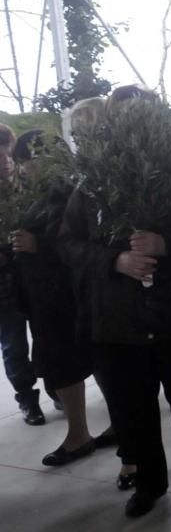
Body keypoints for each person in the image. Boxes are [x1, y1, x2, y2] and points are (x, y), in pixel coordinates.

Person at [59, 86, 171, 518]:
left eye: (143, 116)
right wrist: (117, 260)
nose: (135, 124)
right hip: (118, 319)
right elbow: (68, 243)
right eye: (125, 116)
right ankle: (149, 484)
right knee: (134, 410)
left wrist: (165, 244)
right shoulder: (93, 180)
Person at [61, 96, 137, 489]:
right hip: (102, 304)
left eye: (93, 132)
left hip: (153, 305)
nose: (85, 143)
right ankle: (132, 459)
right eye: (78, 135)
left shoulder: (142, 173)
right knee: (119, 388)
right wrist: (113, 260)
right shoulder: (83, 185)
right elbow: (69, 242)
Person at [11, 130, 96, 466]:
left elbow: (79, 241)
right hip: (41, 293)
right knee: (58, 364)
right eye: (25, 161)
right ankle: (80, 433)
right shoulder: (31, 192)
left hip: (68, 292)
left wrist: (38, 245)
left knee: (82, 362)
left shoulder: (71, 189)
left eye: (33, 159)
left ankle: (97, 437)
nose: (29, 167)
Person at [0, 123, 44, 426]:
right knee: (14, 342)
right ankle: (27, 398)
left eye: (6, 157)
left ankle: (58, 388)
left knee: (47, 335)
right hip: (4, 283)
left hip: (35, 275)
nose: (4, 163)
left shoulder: (29, 184)